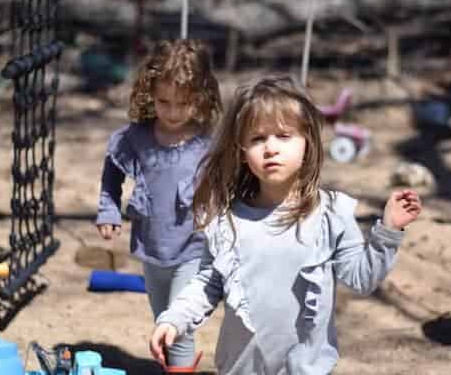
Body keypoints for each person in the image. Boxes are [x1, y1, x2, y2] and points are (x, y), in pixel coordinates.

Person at [149, 75, 422, 375]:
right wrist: (173, 318)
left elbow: (362, 278)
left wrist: (388, 230)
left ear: (308, 142)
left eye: (283, 135)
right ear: (242, 151)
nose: (270, 148)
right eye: (257, 138)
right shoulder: (229, 222)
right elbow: (208, 284)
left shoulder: (332, 215)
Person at [95, 39, 222, 373]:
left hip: (193, 249)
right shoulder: (135, 138)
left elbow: (231, 186)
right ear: (149, 93)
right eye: (164, 101)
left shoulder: (209, 143)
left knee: (179, 327)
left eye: (183, 103)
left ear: (201, 96)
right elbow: (111, 174)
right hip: (152, 248)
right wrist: (108, 210)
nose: (173, 111)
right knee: (162, 320)